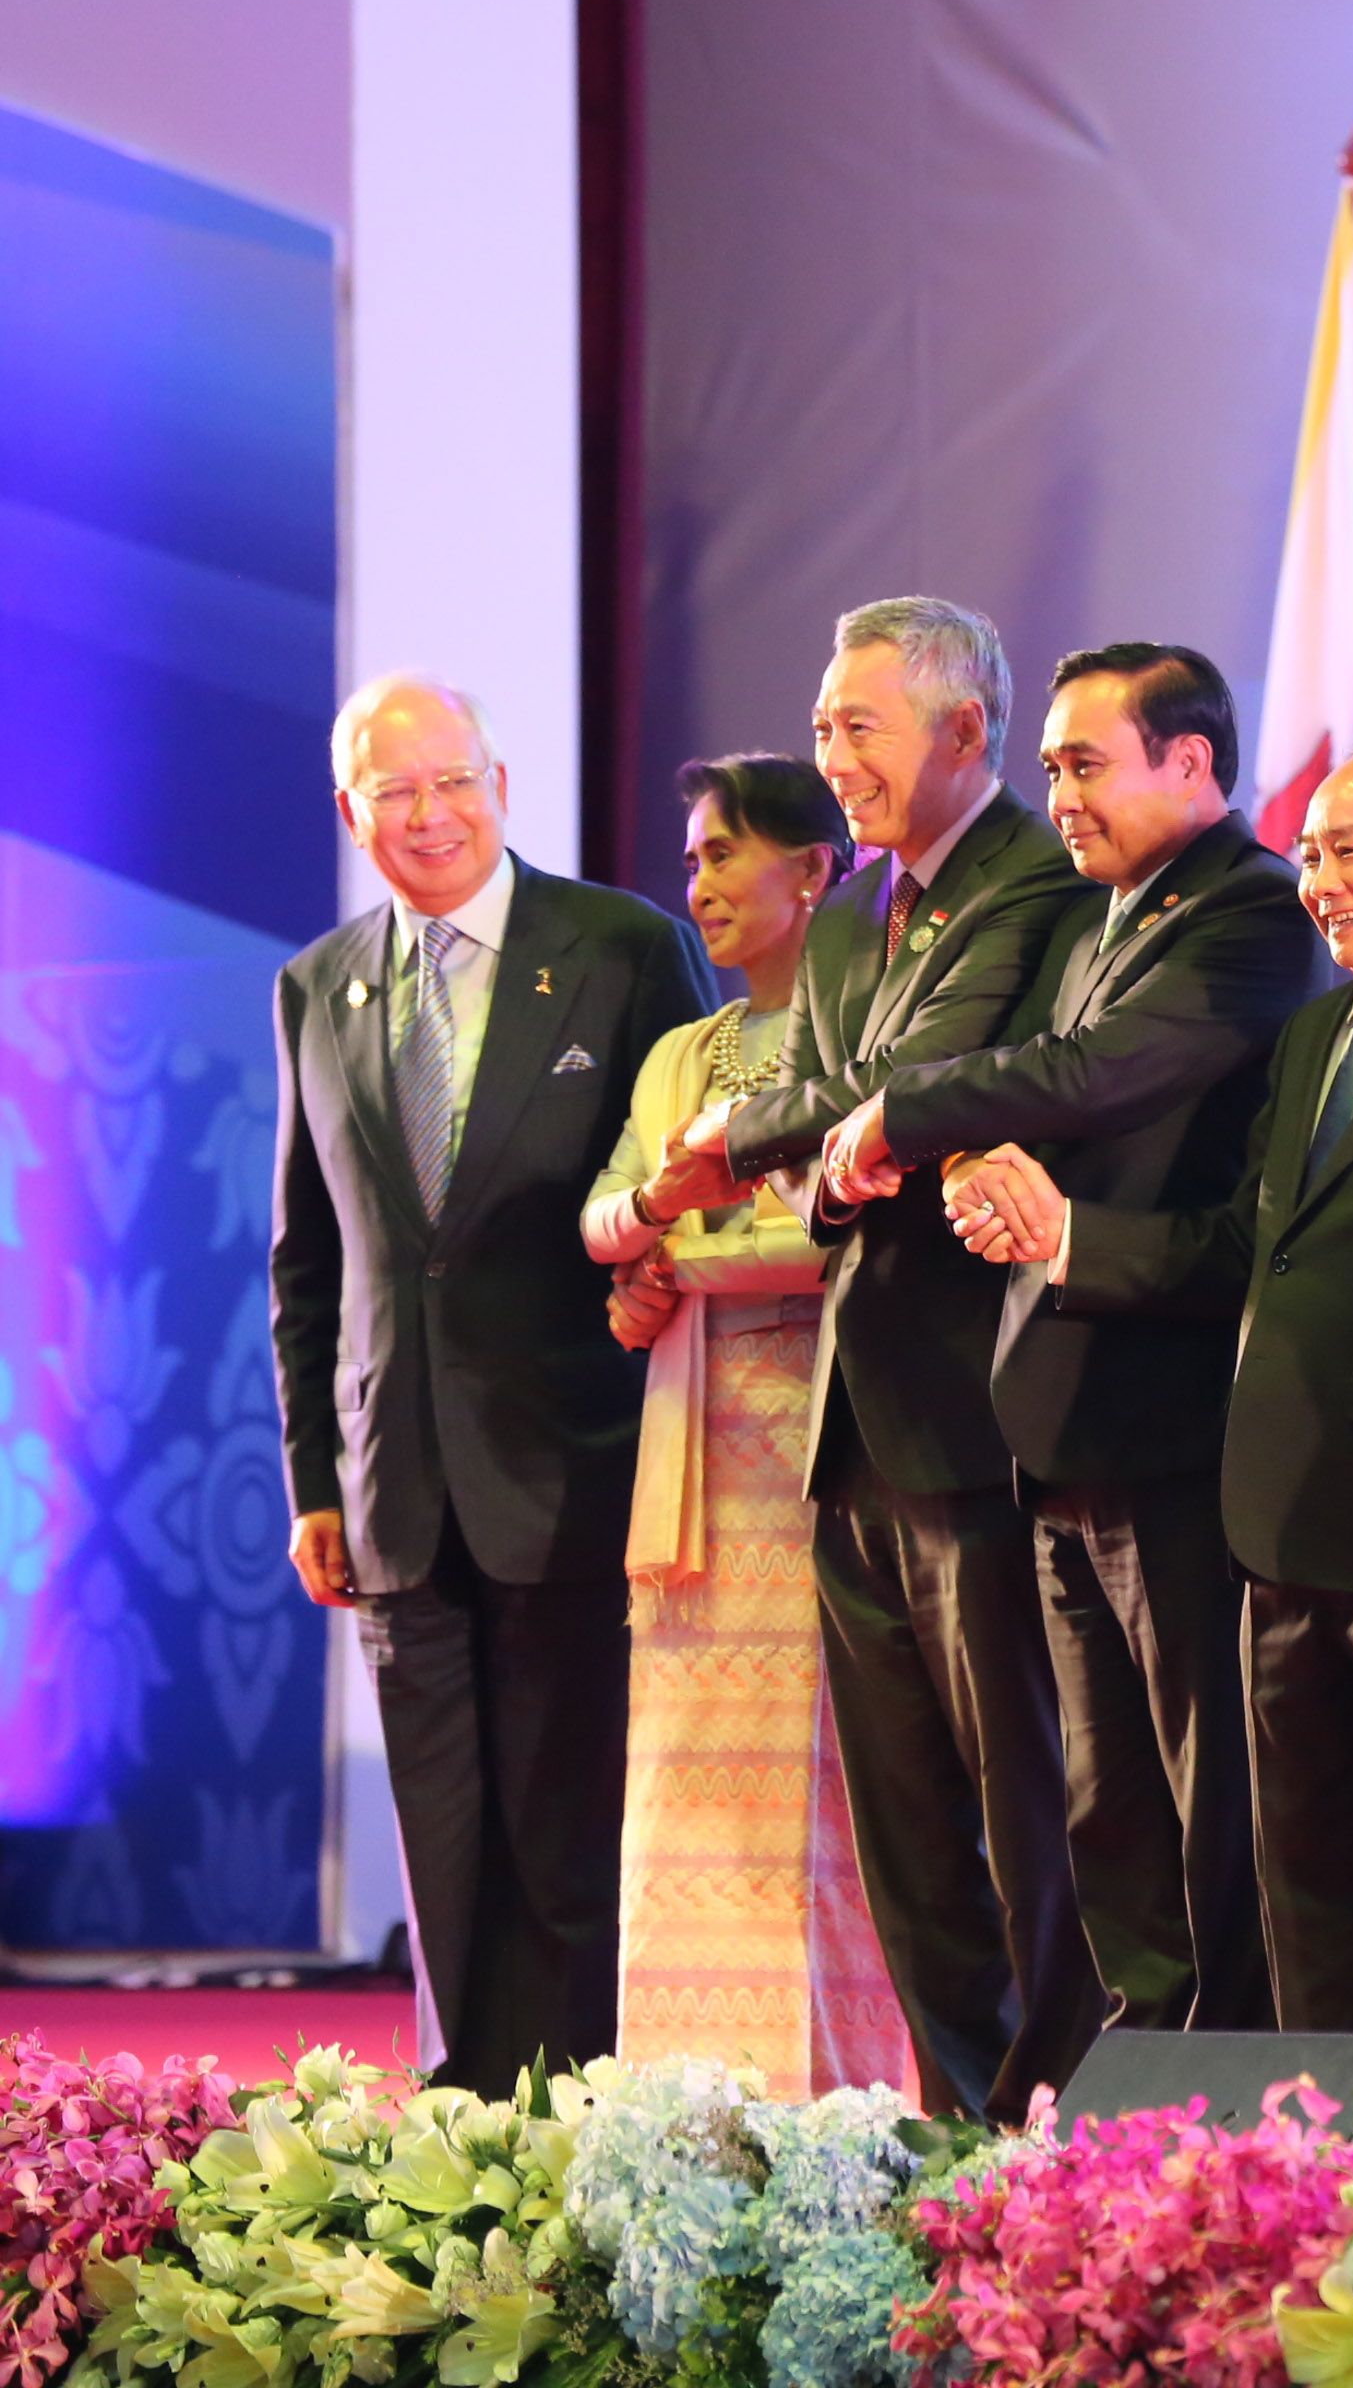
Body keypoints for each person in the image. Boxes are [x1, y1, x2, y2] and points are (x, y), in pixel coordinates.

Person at [957, 743, 1353, 2096]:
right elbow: (1252, 1247)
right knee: (1309, 1887)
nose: (1319, 881)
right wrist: (1075, 1245)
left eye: (1351, 848)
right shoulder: (1317, 1036)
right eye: (1307, 852)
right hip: (1281, 1529)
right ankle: (1319, 2165)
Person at [824, 643, 1319, 2037]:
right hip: (1053, 1419)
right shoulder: (1101, 916)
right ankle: (1130, 2122)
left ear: (1193, 766)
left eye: (1085, 763)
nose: (1061, 795)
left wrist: (909, 1118)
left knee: (1205, 1800)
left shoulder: (1257, 914)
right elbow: (1042, 1091)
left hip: (1174, 1418)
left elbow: (1106, 1075)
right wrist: (979, 1158)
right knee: (1104, 1815)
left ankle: (1230, 2115)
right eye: (1049, 766)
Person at [271, 672, 712, 2092]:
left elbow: (686, 1188)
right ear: (351, 813)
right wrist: (312, 1484)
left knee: (567, 1835)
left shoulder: (619, 945)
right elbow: (306, 1262)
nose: (428, 813)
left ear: (501, 785)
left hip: (572, 1460)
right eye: (391, 790)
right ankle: (460, 2131)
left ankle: (578, 2112)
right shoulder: (316, 987)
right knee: (443, 1843)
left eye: (450, 779)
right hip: (393, 1488)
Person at [699, 597, 1095, 2119]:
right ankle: (953, 2127)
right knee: (906, 1821)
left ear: (965, 734)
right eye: (821, 727)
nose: (834, 759)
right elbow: (821, 1095)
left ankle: (1052, 2127)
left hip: (986, 1414)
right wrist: (820, 1154)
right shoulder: (858, 909)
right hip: (854, 1417)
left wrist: (789, 1135)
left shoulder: (1040, 879)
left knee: (1027, 1805)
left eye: (860, 726)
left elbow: (901, 1081)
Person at [581, 754, 910, 2091]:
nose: (695, 884)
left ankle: (835, 2109)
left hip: (828, 1455)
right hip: (697, 1469)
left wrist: (675, 1252)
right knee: (684, 1814)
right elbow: (607, 1215)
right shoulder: (681, 1055)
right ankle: (684, 2107)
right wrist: (657, 1227)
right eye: (693, 857)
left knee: (824, 1810)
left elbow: (827, 1237)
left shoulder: (868, 1045)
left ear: (815, 872)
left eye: (724, 855)